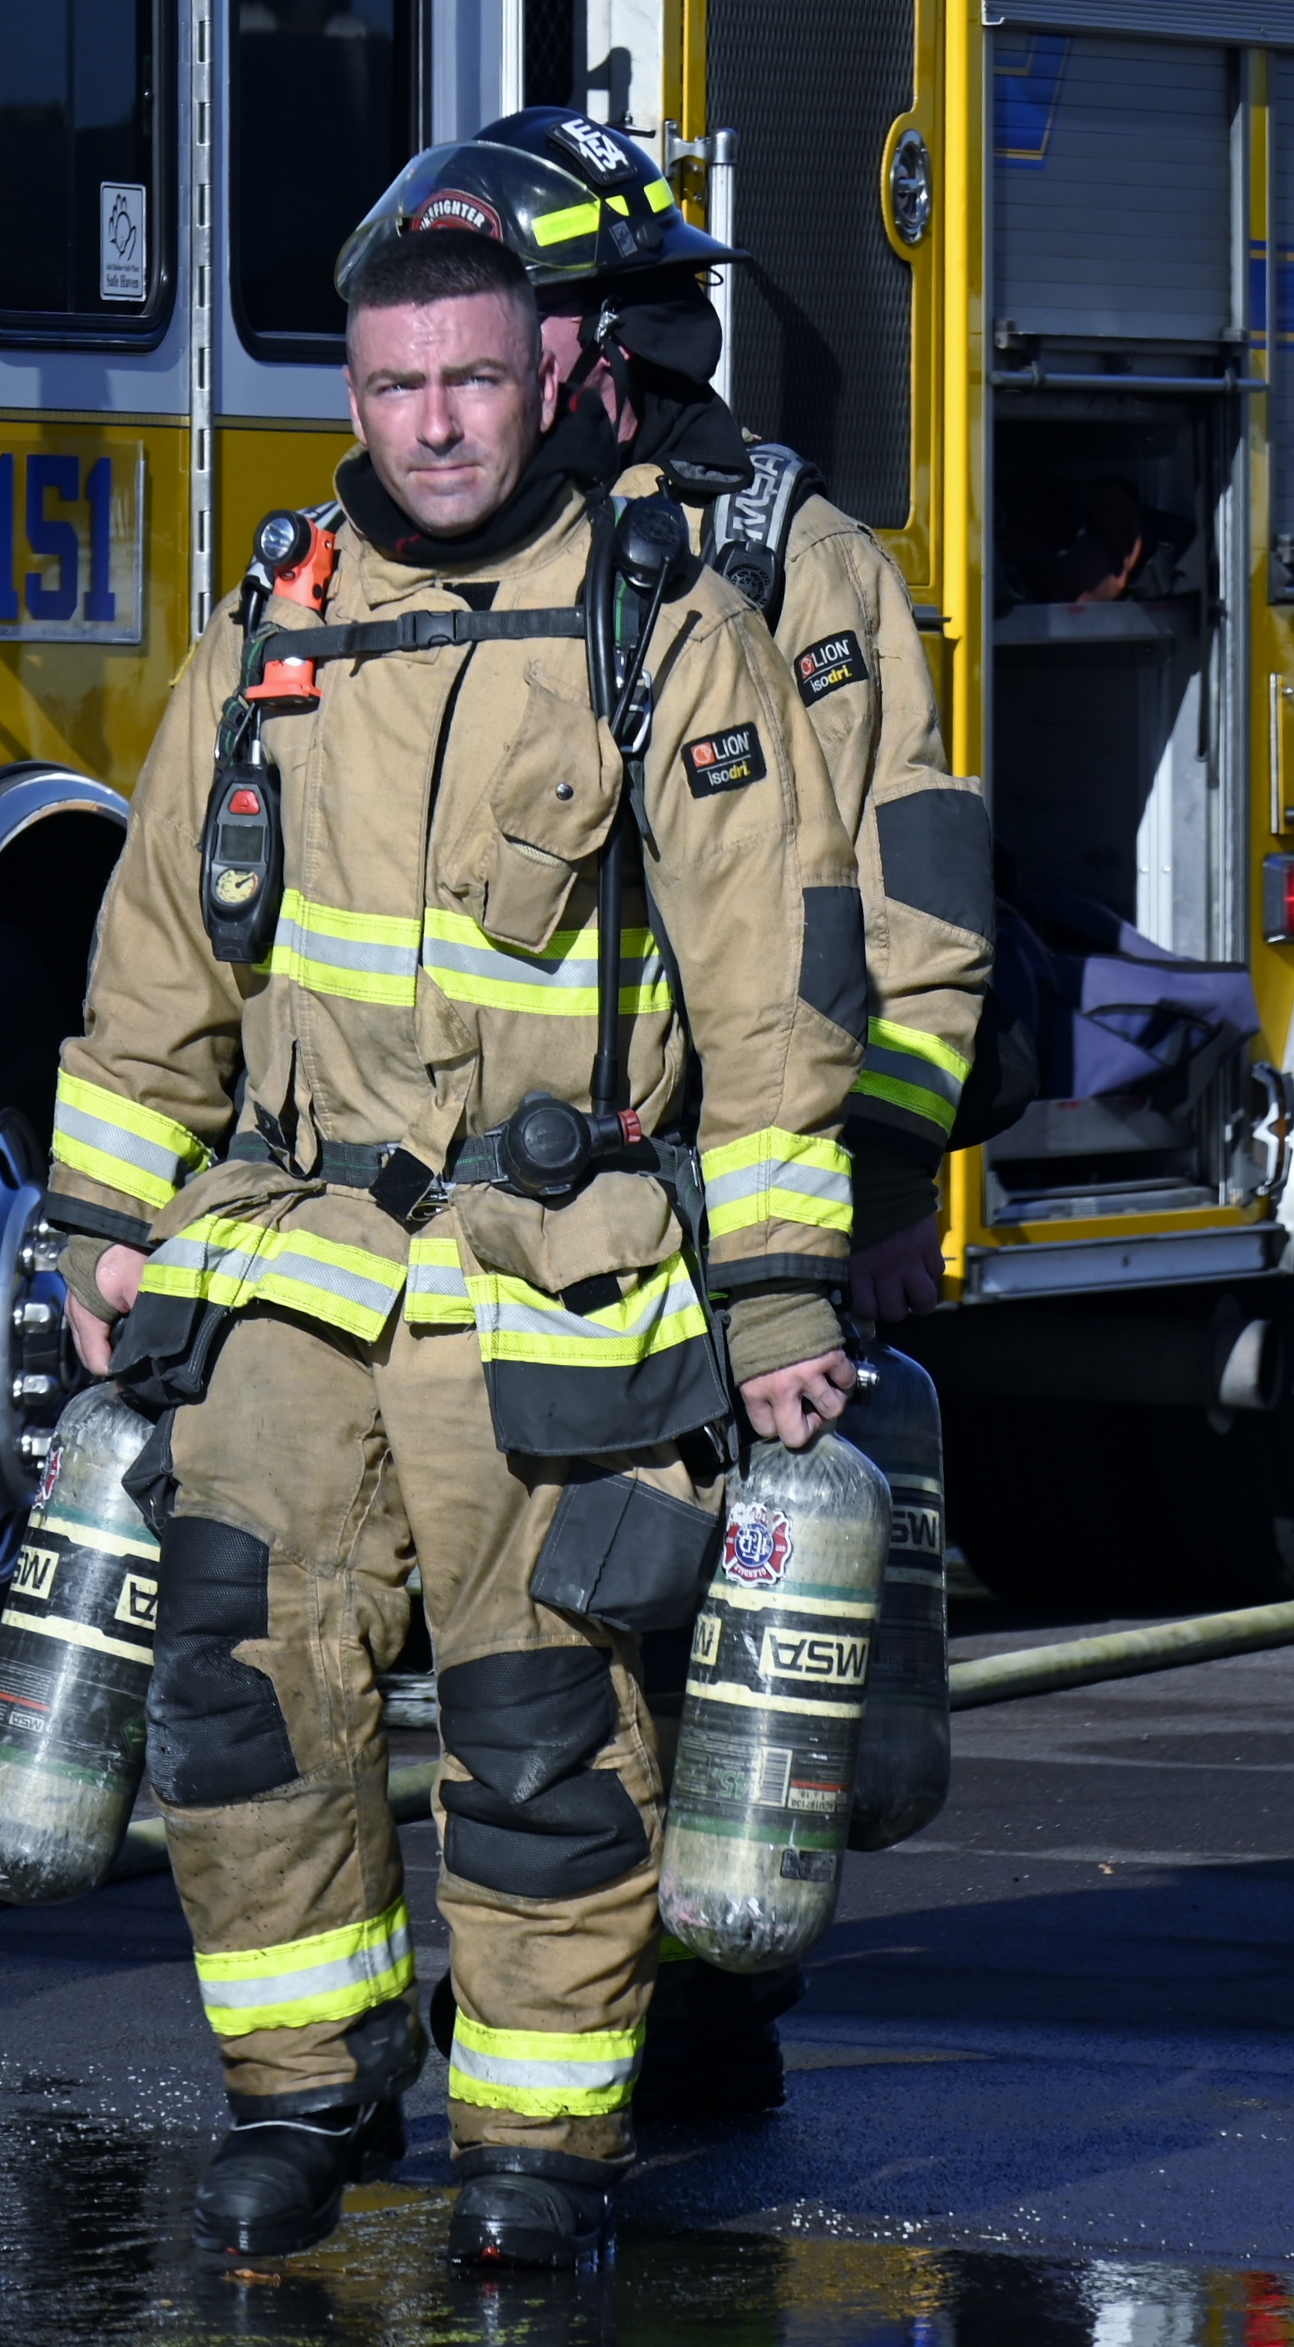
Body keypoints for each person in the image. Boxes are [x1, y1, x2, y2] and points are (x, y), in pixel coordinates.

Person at [40, 225, 864, 2270]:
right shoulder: (277, 627)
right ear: (352, 393)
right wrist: (99, 1222)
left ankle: (539, 2144)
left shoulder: (661, 626)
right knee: (240, 1688)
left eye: (472, 381)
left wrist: (777, 1291)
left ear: (546, 379)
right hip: (293, 1263)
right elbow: (161, 953)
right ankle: (302, 2091)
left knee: (540, 1720)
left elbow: (768, 983)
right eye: (396, 385)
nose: (433, 424)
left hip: (555, 1274)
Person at [340, 110, 997, 2112]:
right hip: (501, 1215)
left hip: (727, 1199)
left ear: (603, 347)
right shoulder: (457, 552)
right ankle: (515, 1997)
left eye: (516, 330)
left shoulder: (784, 562)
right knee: (478, 1613)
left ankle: (676, 2013)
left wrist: (879, 1177)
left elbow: (907, 891)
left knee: (656, 1607)